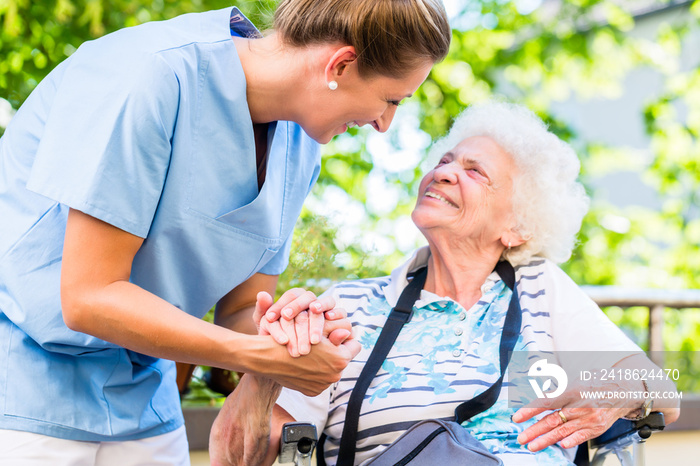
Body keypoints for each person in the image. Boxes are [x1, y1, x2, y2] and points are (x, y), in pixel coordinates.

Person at [0, 1, 452, 464]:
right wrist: (257, 356)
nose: (384, 124)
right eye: (392, 99)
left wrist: (292, 334)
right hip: (24, 391)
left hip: (143, 403)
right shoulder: (149, 74)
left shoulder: (299, 147)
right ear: (340, 64)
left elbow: (238, 310)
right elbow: (88, 297)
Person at [218, 101, 681, 465]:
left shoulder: (540, 290)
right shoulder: (350, 307)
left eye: (475, 171)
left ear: (518, 227)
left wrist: (618, 396)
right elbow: (242, 456)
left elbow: (662, 392)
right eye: (445, 159)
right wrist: (264, 374)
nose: (444, 171)